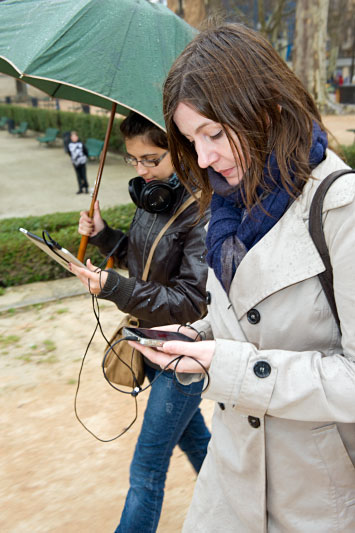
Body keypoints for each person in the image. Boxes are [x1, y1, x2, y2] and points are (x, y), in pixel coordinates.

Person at [128, 24, 355, 532]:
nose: (203, 158)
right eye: (190, 140)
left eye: (213, 133)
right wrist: (198, 338)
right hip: (229, 481)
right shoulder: (227, 206)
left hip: (315, 494)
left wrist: (229, 366)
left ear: (267, 111)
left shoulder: (342, 208)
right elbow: (250, 322)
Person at [70, 111, 211, 533]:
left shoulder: (200, 210)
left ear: (180, 150)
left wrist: (113, 286)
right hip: (146, 340)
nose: (142, 171)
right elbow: (140, 257)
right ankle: (242, 504)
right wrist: (102, 234)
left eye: (152, 159)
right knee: (196, 440)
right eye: (133, 161)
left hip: (182, 355)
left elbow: (191, 300)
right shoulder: (154, 198)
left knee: (146, 471)